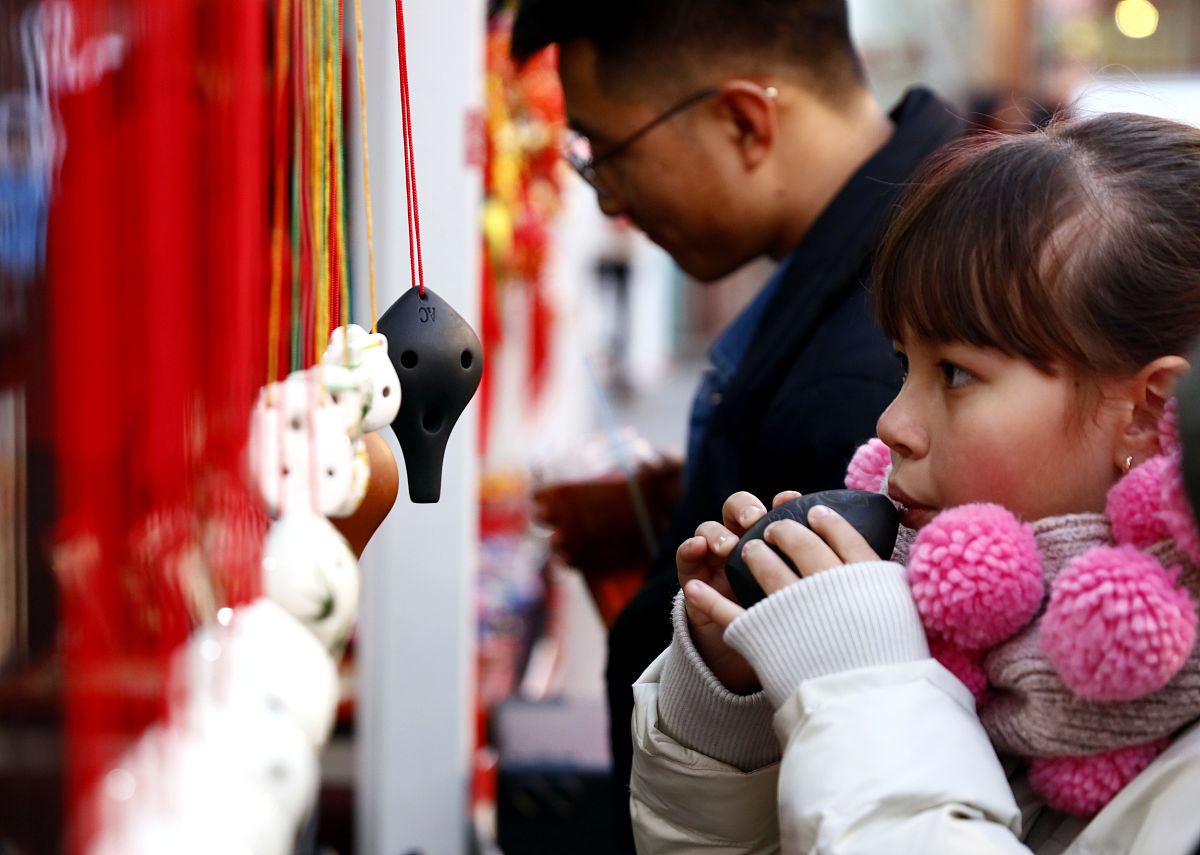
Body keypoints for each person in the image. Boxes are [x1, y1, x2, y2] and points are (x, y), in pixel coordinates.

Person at [629, 111, 1200, 853]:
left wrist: (867, 691)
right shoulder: (962, 641)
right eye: (906, 363)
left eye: (957, 371)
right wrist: (733, 704)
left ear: (1147, 412)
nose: (892, 423)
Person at [509, 2, 962, 841]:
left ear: (744, 122)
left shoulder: (869, 365)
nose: (609, 197)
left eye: (608, 154)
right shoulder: (910, 239)